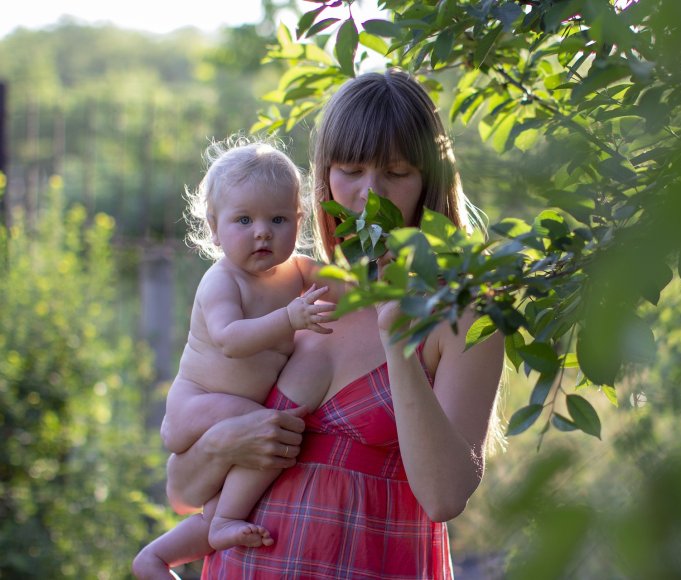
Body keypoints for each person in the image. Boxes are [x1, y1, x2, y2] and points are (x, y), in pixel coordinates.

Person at [162, 69, 505, 579]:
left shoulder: (460, 311)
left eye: (397, 171)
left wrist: (398, 342)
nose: (372, 192)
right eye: (352, 169)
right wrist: (224, 442)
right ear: (323, 177)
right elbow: (183, 493)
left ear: (429, 178)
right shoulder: (291, 289)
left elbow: (444, 497)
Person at [132, 137, 336, 579]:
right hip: (198, 404)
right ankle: (223, 520)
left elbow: (353, 294)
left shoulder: (297, 272)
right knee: (272, 430)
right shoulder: (222, 280)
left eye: (277, 219)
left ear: (298, 222)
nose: (262, 231)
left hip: (229, 410)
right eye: (244, 219)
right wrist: (290, 317)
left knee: (264, 439)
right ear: (214, 226)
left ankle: (158, 556)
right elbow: (229, 339)